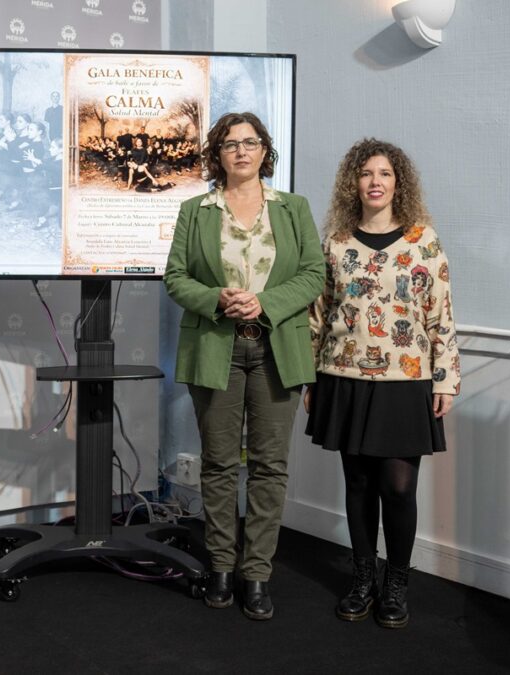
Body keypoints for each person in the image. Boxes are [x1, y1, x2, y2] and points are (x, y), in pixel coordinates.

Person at [163, 112, 324, 619]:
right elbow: (175, 277)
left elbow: (314, 274)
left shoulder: (294, 208)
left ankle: (256, 573)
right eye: (230, 144)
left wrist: (264, 303)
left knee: (270, 467)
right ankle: (220, 567)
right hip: (216, 347)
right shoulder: (195, 211)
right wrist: (217, 298)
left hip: (278, 348)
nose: (241, 151)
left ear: (264, 151)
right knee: (218, 463)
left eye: (250, 142)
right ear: (218, 154)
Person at [306, 138, 460, 629]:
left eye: (385, 174)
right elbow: (318, 315)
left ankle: (396, 584)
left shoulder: (422, 241)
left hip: (405, 378)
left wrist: (445, 379)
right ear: (353, 183)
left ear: (399, 183)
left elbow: (441, 314)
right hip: (343, 375)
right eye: (366, 173)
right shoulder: (336, 243)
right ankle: (362, 580)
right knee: (358, 483)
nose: (375, 182)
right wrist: (309, 378)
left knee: (397, 487)